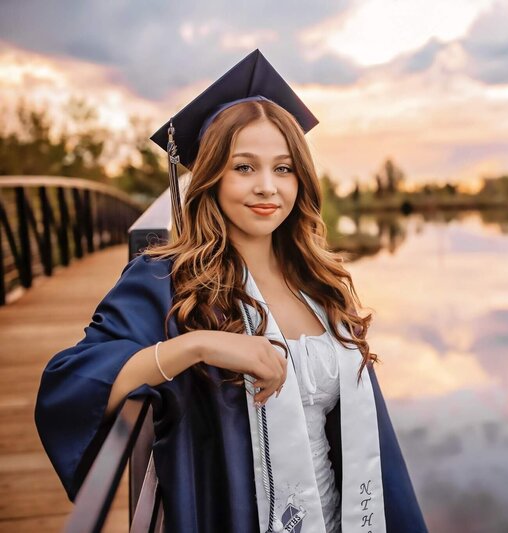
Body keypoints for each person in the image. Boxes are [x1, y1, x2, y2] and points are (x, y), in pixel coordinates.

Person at [34, 49, 428, 533]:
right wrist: (197, 344)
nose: (267, 187)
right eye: (244, 167)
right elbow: (72, 382)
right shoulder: (167, 280)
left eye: (283, 168)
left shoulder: (318, 282)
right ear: (212, 177)